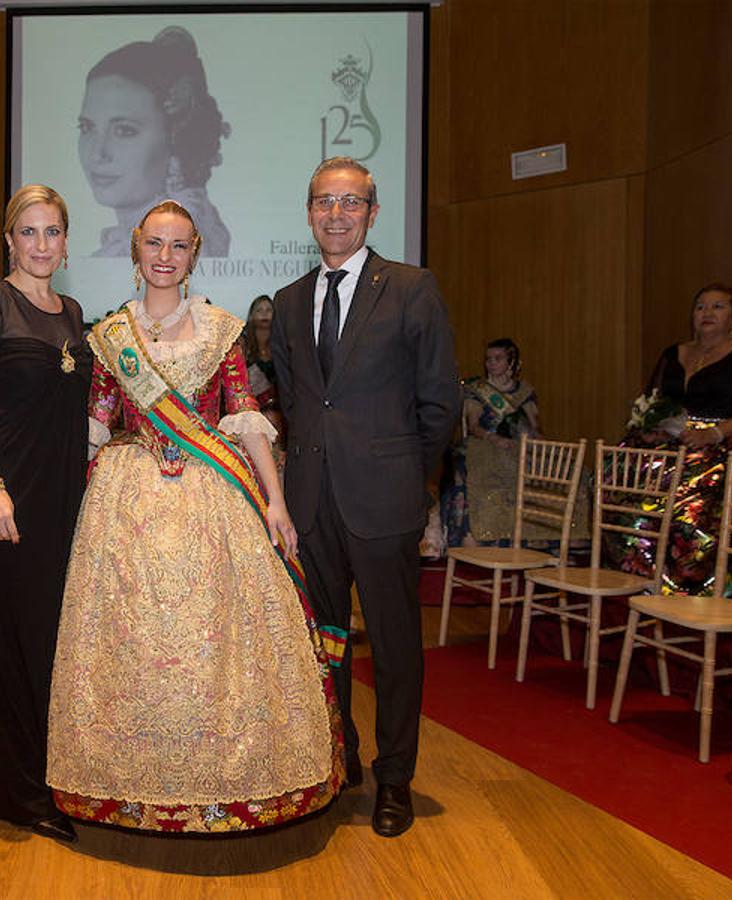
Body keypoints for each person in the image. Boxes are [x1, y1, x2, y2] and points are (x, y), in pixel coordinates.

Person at [46, 200, 341, 834]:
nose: (164, 257)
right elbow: (96, 424)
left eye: (178, 246)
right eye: (154, 244)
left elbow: (245, 418)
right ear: (136, 250)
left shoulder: (220, 331)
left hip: (212, 502)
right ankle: (121, 786)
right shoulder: (111, 335)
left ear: (194, 255)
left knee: (215, 637)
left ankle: (226, 785)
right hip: (125, 507)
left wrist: (276, 501)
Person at [270, 157, 458, 837]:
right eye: (325, 202)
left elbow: (441, 400)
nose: (337, 213)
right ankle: (340, 755)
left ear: (373, 214)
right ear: (310, 212)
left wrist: (412, 477)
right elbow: (296, 400)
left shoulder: (411, 288)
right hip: (312, 501)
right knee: (325, 642)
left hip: (384, 501)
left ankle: (395, 778)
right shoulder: (289, 300)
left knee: (396, 646)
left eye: (351, 203)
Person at [0, 185, 91, 843]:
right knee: (16, 643)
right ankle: (17, 795)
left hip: (64, 497)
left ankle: (51, 777)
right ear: (10, 239)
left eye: (53, 232)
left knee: (53, 642)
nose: (42, 244)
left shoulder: (71, 311)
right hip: (12, 500)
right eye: (30, 232)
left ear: (66, 240)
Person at [609, 282, 732, 594]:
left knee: (688, 489)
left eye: (717, 306)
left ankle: (686, 582)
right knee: (616, 473)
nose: (707, 313)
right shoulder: (674, 352)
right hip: (669, 440)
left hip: (725, 442)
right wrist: (649, 425)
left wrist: (711, 434)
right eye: (700, 307)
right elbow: (651, 399)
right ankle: (637, 570)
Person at [79, 26, 230, 258]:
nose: (97, 153)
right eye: (87, 127)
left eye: (124, 130)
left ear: (174, 138)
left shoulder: (188, 240)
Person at [439, 338, 542, 548]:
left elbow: (534, 427)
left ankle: (538, 538)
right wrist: (495, 438)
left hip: (517, 446)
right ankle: (479, 536)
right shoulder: (478, 390)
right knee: (494, 467)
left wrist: (537, 444)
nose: (491, 363)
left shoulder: (524, 391)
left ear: (511, 362)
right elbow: (474, 425)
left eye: (498, 358)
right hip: (485, 444)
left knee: (559, 469)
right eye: (488, 359)